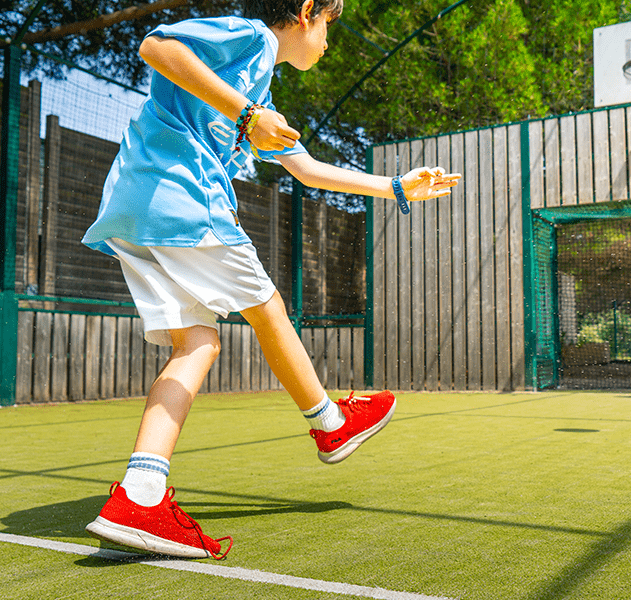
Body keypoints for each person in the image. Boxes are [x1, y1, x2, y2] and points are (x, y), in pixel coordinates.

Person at [81, 0, 461, 560]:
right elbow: (157, 48)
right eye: (330, 25)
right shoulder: (251, 37)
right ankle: (331, 423)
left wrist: (396, 187)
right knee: (269, 307)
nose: (329, 42)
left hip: (134, 211)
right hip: (182, 201)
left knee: (198, 341)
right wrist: (244, 116)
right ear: (307, 11)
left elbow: (306, 169)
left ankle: (140, 494)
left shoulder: (259, 92)